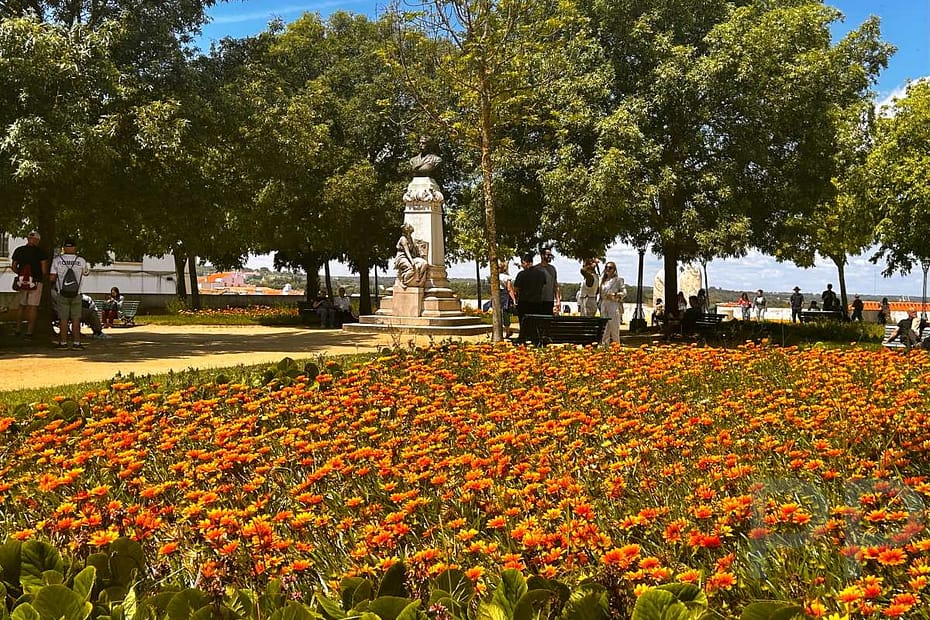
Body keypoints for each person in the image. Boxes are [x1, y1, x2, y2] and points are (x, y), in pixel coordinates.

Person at [49, 238, 89, 350]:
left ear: (64, 248)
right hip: (77, 293)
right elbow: (86, 273)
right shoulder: (81, 260)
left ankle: (63, 343)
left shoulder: (57, 260)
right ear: (75, 247)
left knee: (63, 319)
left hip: (62, 293)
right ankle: (76, 343)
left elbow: (52, 277)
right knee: (76, 318)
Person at [9, 230, 49, 339]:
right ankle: (29, 332)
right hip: (36, 282)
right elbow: (44, 270)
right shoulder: (41, 252)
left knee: (21, 306)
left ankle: (18, 330)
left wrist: (20, 274)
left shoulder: (19, 250)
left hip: (22, 282)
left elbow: (13, 266)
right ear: (37, 240)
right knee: (33, 307)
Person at [513, 253, 547, 340]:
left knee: (524, 322)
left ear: (526, 262)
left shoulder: (521, 274)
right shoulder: (541, 274)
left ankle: (523, 338)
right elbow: (543, 286)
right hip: (537, 302)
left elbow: (516, 289)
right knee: (535, 322)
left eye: (522, 263)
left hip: (524, 302)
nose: (522, 265)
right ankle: (534, 338)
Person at [394, 223, 430, 288]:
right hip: (402, 257)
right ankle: (403, 281)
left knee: (424, 263)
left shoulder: (410, 238)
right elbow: (407, 252)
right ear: (406, 230)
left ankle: (417, 278)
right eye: (409, 228)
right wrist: (412, 262)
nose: (411, 229)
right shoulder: (403, 239)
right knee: (411, 267)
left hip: (410, 257)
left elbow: (413, 250)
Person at [599, 262, 626, 346]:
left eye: (610, 268)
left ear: (614, 269)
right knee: (605, 327)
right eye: (606, 267)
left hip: (613, 304)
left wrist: (615, 294)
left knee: (614, 327)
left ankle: (616, 346)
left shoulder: (618, 280)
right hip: (604, 304)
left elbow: (624, 292)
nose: (608, 269)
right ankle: (604, 346)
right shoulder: (602, 281)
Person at [496, 259, 517, 338]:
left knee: (499, 313)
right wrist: (514, 299)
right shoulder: (507, 277)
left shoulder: (496, 277)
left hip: (498, 295)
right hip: (505, 296)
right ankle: (507, 331)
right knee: (506, 313)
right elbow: (509, 289)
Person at [538, 248, 561, 316]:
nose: (550, 257)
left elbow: (555, 286)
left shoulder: (552, 269)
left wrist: (558, 300)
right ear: (542, 256)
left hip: (549, 301)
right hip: (538, 301)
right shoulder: (536, 269)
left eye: (551, 255)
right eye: (548, 255)